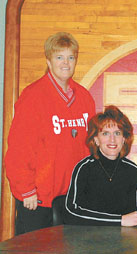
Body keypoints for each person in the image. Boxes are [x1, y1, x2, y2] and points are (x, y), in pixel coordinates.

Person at [5, 32, 96, 235]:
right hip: (37, 199)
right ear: (48, 61)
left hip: (72, 199)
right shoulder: (33, 96)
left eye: (71, 57)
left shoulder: (84, 98)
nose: (66, 63)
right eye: (59, 57)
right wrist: (26, 189)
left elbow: (89, 148)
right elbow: (19, 149)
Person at [64, 105, 137, 227]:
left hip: (120, 239)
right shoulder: (84, 168)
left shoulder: (131, 170)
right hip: (86, 238)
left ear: (124, 138)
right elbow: (71, 213)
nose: (112, 140)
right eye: (105, 133)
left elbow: (130, 212)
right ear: (96, 139)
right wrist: (119, 221)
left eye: (117, 133)